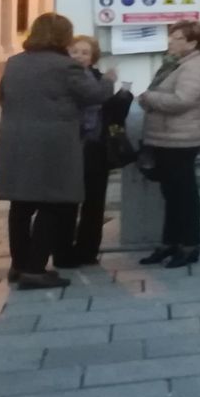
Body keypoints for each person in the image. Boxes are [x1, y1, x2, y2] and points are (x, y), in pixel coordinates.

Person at [0, 13, 118, 289]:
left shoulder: (14, 63)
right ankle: (35, 270)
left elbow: (4, 97)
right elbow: (95, 95)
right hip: (51, 146)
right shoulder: (66, 66)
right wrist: (108, 79)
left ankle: (18, 266)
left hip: (14, 141)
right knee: (53, 203)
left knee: (21, 205)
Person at [137, 20, 200, 269]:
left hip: (181, 139)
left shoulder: (195, 66)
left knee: (184, 194)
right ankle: (169, 243)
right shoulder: (174, 64)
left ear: (192, 43)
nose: (170, 41)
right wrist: (150, 98)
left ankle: (189, 245)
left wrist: (149, 97)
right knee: (171, 194)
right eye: (171, 36)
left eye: (177, 37)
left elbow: (183, 100)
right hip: (164, 137)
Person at [55, 35, 132, 268]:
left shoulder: (98, 78)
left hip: (97, 147)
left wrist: (123, 96)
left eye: (85, 52)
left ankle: (88, 250)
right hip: (72, 146)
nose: (79, 56)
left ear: (92, 57)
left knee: (95, 201)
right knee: (68, 202)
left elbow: (111, 113)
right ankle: (63, 251)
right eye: (75, 51)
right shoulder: (66, 79)